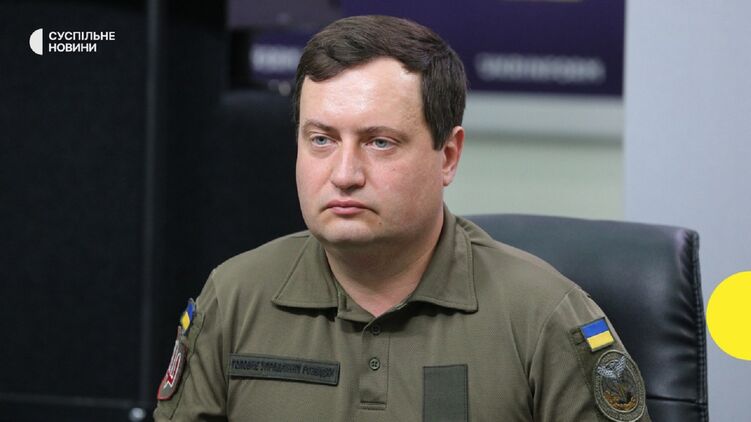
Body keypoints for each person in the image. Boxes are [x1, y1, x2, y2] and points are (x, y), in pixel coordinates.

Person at [154, 15, 650, 422]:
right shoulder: (234, 298)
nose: (344, 175)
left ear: (448, 156)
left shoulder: (543, 317)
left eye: (379, 142)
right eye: (322, 140)